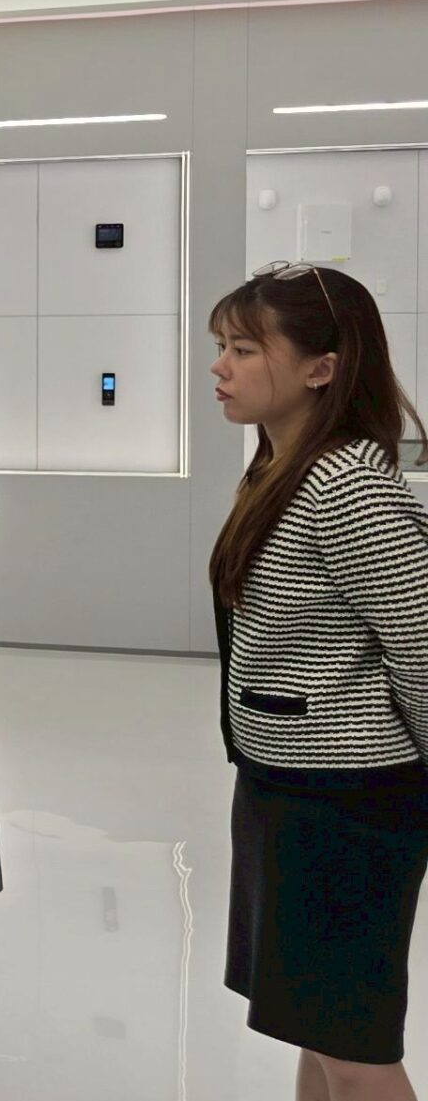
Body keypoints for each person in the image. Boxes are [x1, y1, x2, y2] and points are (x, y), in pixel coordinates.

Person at [209, 262, 428, 1101]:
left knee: (354, 1046)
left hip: (350, 801)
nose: (221, 366)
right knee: (316, 1024)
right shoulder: (282, 468)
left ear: (322, 367)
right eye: (222, 346)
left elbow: (421, 651)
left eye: (243, 348)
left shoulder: (347, 486)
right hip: (290, 785)